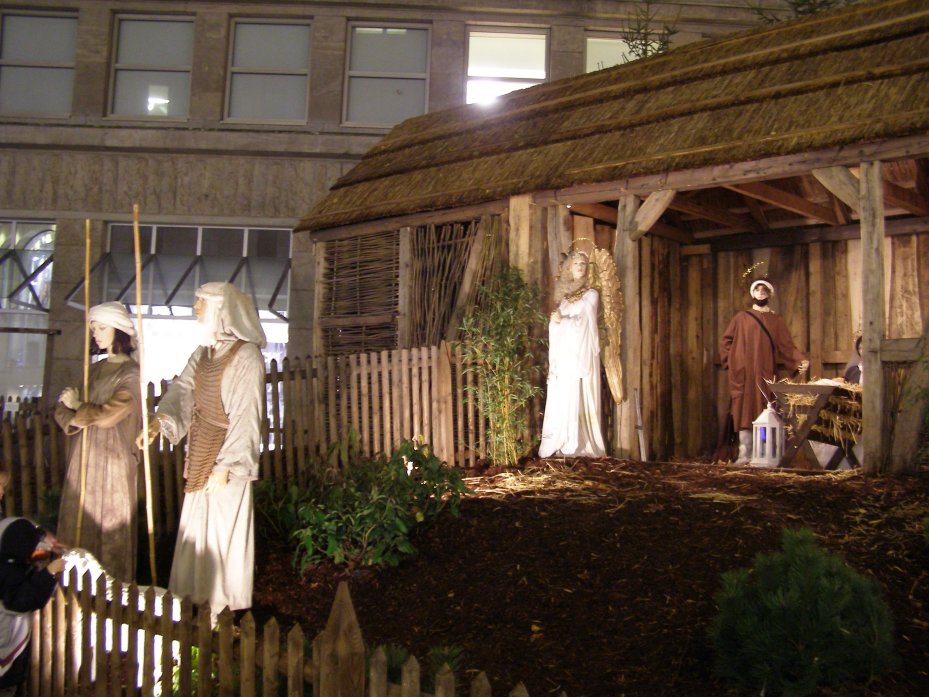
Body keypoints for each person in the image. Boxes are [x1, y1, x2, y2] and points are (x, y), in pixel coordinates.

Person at [138, 282, 265, 622]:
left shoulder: (246, 356)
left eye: (201, 305)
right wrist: (161, 421)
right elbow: (183, 389)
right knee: (197, 528)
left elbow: (247, 413)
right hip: (200, 450)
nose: (195, 310)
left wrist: (228, 464)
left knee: (222, 532)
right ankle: (194, 599)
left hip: (226, 459)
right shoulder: (203, 353)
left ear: (221, 311)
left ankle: (220, 608)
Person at [54, 302, 141, 582]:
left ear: (119, 331)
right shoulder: (92, 370)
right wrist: (78, 414)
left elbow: (109, 415)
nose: (96, 334)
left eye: (102, 328)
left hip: (113, 462)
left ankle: (110, 591)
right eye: (93, 328)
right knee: (77, 520)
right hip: (82, 459)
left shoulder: (131, 374)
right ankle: (74, 584)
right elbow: (61, 408)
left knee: (110, 525)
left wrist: (79, 408)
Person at [720, 279, 808, 465]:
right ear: (752, 293)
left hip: (765, 372)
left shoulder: (776, 321)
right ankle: (744, 453)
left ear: (770, 294)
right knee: (743, 410)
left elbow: (786, 346)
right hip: (743, 374)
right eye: (757, 289)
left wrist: (799, 361)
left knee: (764, 410)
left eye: (764, 290)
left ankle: (762, 453)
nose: (760, 292)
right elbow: (726, 341)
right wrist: (734, 361)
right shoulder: (741, 318)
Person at [539, 249, 607, 458]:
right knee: (564, 394)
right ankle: (563, 440)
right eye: (576, 264)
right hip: (565, 357)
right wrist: (555, 322)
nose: (580, 267)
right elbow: (557, 324)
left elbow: (586, 324)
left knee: (578, 393)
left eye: (583, 264)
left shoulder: (591, 295)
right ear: (569, 268)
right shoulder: (566, 299)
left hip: (580, 355)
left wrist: (563, 321)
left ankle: (579, 443)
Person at [0, 517, 64, 695]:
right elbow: (22, 600)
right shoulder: (8, 572)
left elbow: (18, 534)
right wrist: (49, 573)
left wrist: (46, 541)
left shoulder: (8, 561)